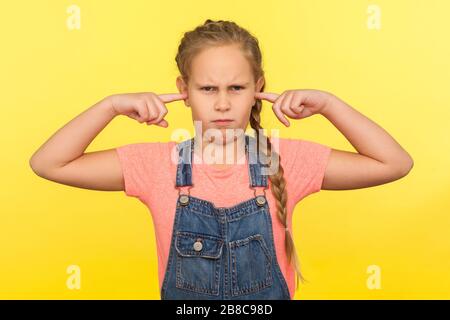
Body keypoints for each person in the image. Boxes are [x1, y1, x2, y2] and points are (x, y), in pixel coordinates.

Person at [29, 19, 413, 300]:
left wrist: (329, 104)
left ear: (258, 88)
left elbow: (394, 163)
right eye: (208, 88)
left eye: (237, 87)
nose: (224, 103)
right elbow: (49, 163)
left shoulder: (285, 159)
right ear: (183, 91)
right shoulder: (156, 165)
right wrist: (109, 106)